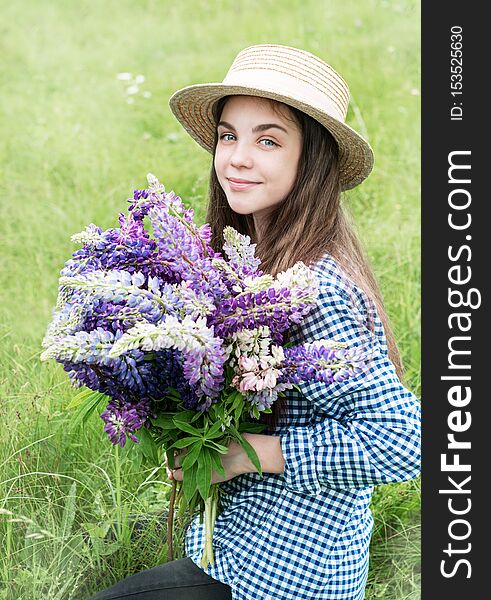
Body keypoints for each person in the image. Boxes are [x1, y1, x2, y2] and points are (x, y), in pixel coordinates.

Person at [90, 44, 421, 600]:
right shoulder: (249, 261)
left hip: (289, 577)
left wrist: (246, 453)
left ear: (310, 159)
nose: (237, 157)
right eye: (228, 135)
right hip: (228, 555)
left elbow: (403, 439)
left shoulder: (318, 290)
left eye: (268, 140)